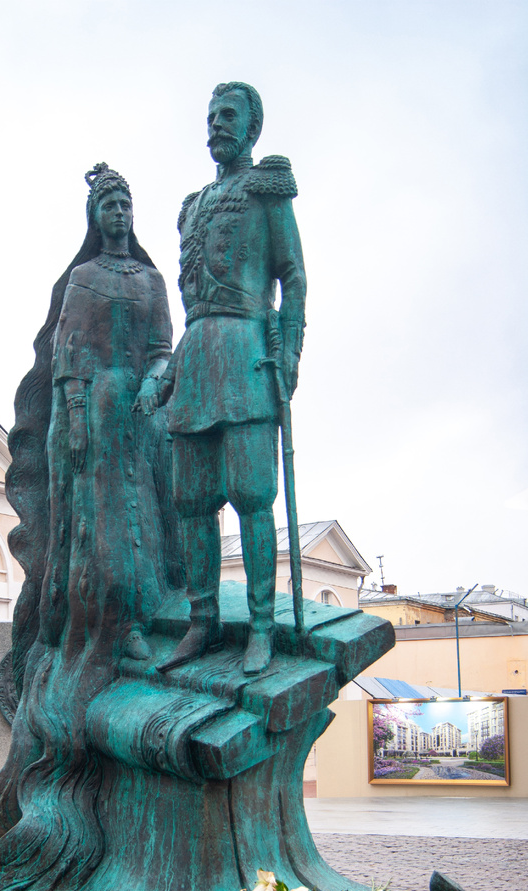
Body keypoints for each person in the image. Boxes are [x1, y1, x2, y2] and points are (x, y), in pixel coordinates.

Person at [0, 165, 182, 891]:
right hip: (85, 414)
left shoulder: (150, 284)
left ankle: (147, 620)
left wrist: (160, 380)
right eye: (108, 203)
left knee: (147, 526)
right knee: (94, 540)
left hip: (136, 413)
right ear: (96, 215)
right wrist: (76, 418)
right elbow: (62, 358)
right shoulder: (84, 277)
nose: (118, 212)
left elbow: (161, 344)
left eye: (126, 201)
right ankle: (90, 632)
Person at [156, 81, 307, 676]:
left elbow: (292, 275)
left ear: (251, 128)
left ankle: (263, 626)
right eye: (211, 115)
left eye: (228, 116)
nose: (217, 124)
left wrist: (290, 353)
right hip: (196, 356)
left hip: (247, 351)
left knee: (251, 495)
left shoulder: (268, 190)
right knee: (191, 501)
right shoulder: (191, 205)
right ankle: (203, 620)